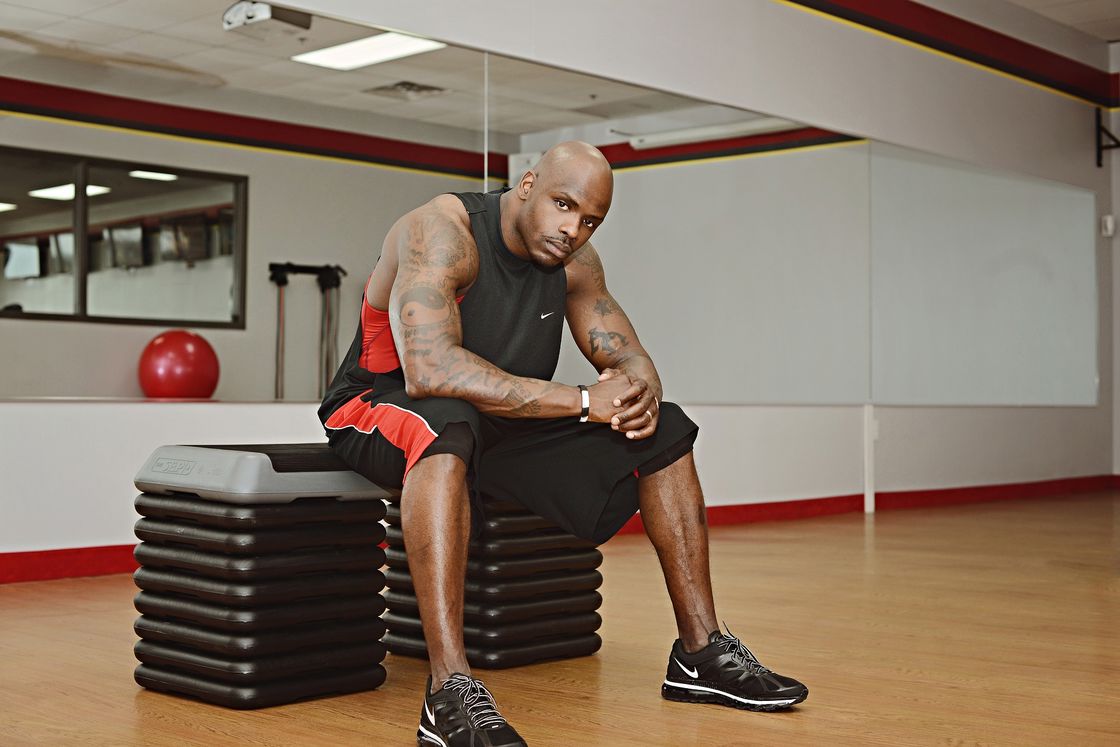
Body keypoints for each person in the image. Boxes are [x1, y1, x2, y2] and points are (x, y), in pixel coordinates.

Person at [319, 141, 808, 746]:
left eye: (590, 220)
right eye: (563, 204)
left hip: (496, 420)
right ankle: (449, 691)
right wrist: (582, 401)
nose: (572, 229)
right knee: (445, 422)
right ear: (526, 185)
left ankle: (701, 652)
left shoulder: (576, 263)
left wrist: (636, 398)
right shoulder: (441, 230)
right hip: (379, 404)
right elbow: (430, 371)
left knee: (668, 429)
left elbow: (629, 358)